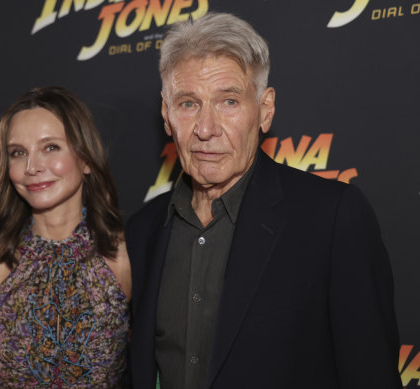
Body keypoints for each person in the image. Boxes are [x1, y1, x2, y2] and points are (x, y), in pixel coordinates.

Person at [126, 13, 402, 389]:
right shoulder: (140, 233)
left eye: (228, 101)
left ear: (265, 110)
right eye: (188, 103)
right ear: (166, 113)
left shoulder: (332, 217)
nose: (205, 129)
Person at [0, 86, 131, 388]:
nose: (32, 167)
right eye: (18, 153)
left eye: (50, 147)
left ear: (86, 158)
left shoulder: (124, 257)